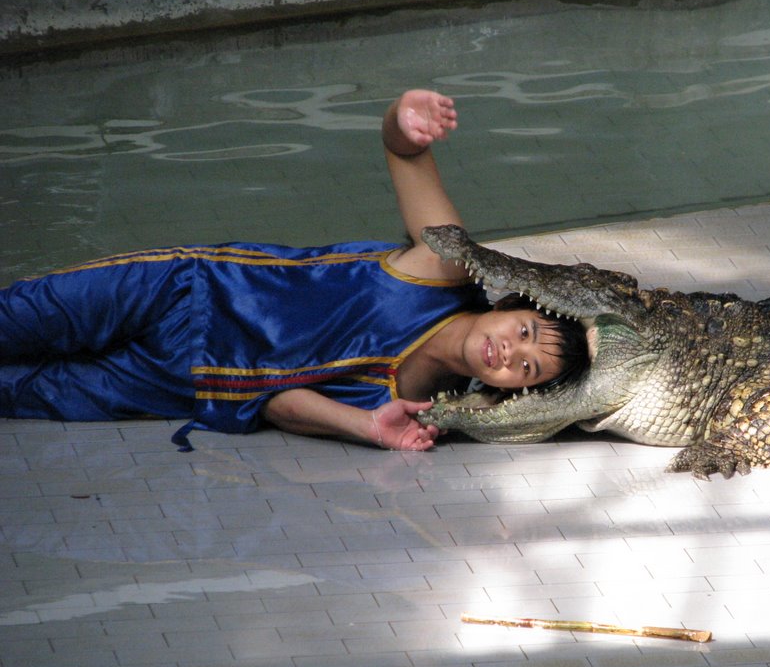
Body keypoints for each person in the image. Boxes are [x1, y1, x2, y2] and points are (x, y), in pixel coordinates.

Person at [0, 90, 589, 452]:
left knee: (18, 393)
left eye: (528, 370)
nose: (511, 353)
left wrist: (369, 430)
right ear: (511, 306)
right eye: (525, 332)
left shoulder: (416, 400)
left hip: (186, 379)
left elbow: (278, 404)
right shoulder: (443, 269)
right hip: (181, 291)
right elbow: (404, 153)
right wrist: (401, 115)